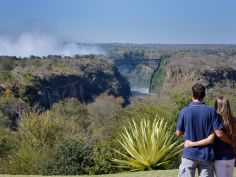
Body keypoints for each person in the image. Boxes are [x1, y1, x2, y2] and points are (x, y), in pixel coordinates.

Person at [176, 83, 232, 177]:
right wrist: (230, 141)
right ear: (204, 95)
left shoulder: (184, 111)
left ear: (192, 95)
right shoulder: (211, 112)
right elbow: (218, 133)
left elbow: (178, 133)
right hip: (206, 155)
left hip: (189, 153)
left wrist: (190, 135)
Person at [185, 96, 236, 177]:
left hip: (219, 157)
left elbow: (218, 134)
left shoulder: (215, 120)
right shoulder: (233, 121)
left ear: (216, 106)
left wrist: (191, 144)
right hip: (231, 157)